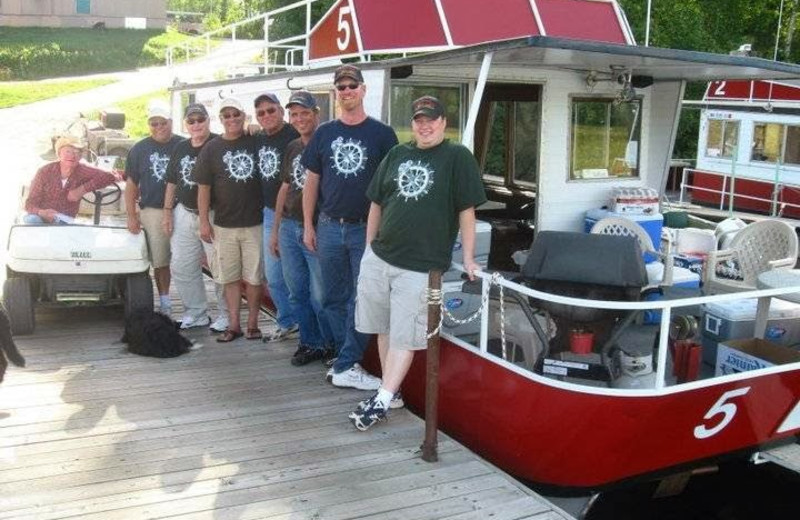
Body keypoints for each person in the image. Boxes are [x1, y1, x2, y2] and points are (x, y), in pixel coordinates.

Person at [349, 95, 487, 431]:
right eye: (419, 119)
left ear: (443, 122)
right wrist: (369, 248)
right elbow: (376, 204)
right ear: (413, 123)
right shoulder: (397, 154)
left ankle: (380, 401)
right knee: (382, 327)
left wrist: (468, 258)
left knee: (404, 336)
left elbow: (467, 211)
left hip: (421, 266)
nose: (425, 125)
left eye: (432, 119)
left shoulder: (457, 157)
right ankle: (391, 392)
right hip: (381, 257)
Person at [301, 64, 398, 390]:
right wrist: (308, 225)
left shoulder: (383, 135)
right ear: (336, 93)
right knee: (332, 298)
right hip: (328, 227)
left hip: (365, 231)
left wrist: (385, 231)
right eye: (340, 87)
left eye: (351, 86)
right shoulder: (324, 133)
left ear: (363, 89)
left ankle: (344, 364)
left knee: (363, 298)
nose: (346, 92)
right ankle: (350, 359)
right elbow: (311, 182)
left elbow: (391, 188)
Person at [270, 91, 335, 366]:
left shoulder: (329, 144)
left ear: (316, 113)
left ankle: (331, 344)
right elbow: (285, 188)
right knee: (296, 291)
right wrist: (274, 230)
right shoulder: (293, 147)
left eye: (304, 113)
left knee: (321, 295)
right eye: (294, 114)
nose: (299, 119)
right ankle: (309, 343)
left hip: (318, 228)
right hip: (288, 227)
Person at [195, 98, 264, 343]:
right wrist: (204, 221)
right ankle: (234, 324)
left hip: (255, 222)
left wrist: (257, 128)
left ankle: (253, 323)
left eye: (236, 114)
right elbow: (203, 188)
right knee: (229, 278)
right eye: (227, 115)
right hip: (223, 224)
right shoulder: (212, 148)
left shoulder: (256, 140)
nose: (232, 119)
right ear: (220, 119)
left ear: (244, 116)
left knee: (255, 277)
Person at [161, 103, 230, 332]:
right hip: (184, 211)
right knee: (181, 265)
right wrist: (167, 211)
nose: (196, 124)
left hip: (214, 213)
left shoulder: (220, 143)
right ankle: (196, 312)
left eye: (200, 119)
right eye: (191, 121)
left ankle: (226, 315)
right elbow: (172, 181)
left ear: (209, 120)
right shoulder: (180, 147)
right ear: (185, 124)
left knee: (220, 266)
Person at [125, 100, 182, 314]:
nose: (158, 127)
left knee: (186, 259)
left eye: (163, 123)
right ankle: (166, 303)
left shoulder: (184, 144)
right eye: (154, 124)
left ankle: (194, 306)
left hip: (183, 209)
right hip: (153, 210)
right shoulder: (139, 149)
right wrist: (132, 215)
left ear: (171, 122)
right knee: (160, 260)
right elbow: (131, 185)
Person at [253, 92, 301, 343]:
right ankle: (287, 321)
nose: (267, 116)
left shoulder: (294, 136)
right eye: (261, 113)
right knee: (273, 275)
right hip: (269, 212)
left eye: (271, 110)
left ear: (281, 111)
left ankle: (303, 323)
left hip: (293, 214)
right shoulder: (259, 137)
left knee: (294, 275)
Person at [24, 135, 117, 224]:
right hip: (40, 217)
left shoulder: (82, 170)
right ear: (59, 154)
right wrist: (42, 212)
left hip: (64, 219)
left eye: (77, 153)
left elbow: (110, 176)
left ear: (80, 157)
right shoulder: (44, 171)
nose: (72, 156)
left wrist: (82, 190)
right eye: (68, 151)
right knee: (32, 220)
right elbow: (29, 204)